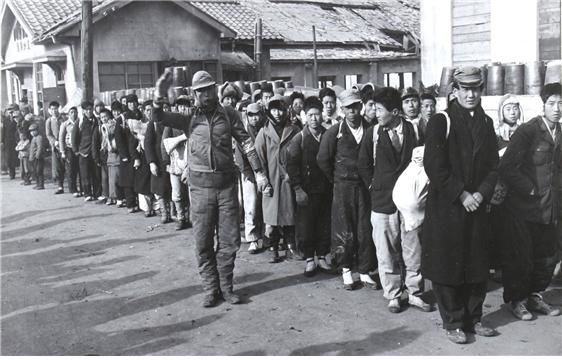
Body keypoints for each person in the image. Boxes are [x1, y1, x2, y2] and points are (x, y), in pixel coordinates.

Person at [152, 70, 270, 307]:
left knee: (229, 240)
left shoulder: (229, 114)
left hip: (226, 186)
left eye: (208, 89)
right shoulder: (188, 117)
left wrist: (258, 172)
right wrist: (158, 96)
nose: (205, 94)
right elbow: (159, 117)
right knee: (202, 240)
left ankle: (226, 287)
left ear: (215, 89)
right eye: (200, 91)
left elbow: (246, 143)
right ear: (195, 94)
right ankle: (210, 288)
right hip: (200, 188)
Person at [422, 66, 499, 344]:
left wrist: (481, 193)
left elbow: (493, 165)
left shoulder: (486, 123)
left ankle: (474, 318)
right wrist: (462, 194)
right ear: (454, 91)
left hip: (476, 206)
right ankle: (453, 321)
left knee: (477, 262)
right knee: (448, 265)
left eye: (475, 89)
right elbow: (434, 165)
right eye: (465, 89)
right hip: (448, 207)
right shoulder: (441, 121)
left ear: (481, 91)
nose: (470, 94)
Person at [358, 87, 430, 313]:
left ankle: (415, 292)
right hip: (382, 201)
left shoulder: (415, 130)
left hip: (411, 202)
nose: (375, 113)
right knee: (385, 249)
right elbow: (363, 163)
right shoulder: (373, 134)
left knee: (413, 248)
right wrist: (373, 185)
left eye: (379, 109)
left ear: (395, 111)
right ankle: (393, 294)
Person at [498, 82, 562, 321]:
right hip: (524, 207)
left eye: (561, 104)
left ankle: (535, 295)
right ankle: (517, 300)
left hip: (551, 207)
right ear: (543, 105)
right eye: (552, 103)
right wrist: (531, 189)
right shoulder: (528, 131)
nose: (557, 108)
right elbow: (507, 167)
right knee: (521, 256)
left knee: (547, 255)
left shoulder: (560, 133)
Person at [317, 88, 379, 291]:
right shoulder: (334, 132)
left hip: (364, 187)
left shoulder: (371, 128)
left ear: (361, 107)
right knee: (344, 228)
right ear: (342, 110)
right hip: (343, 186)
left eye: (356, 107)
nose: (353, 111)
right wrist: (336, 179)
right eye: (348, 108)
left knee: (364, 228)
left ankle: (363, 270)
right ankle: (345, 269)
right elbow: (323, 160)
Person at [286, 96, 332, 276]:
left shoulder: (329, 134)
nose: (314, 118)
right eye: (310, 115)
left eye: (317, 114)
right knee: (306, 225)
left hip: (325, 189)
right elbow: (291, 164)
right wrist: (297, 189)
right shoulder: (300, 138)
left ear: (322, 115)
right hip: (306, 190)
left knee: (324, 223)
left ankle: (321, 256)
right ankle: (309, 259)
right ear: (305, 116)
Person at [254, 95, 300, 263]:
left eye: (280, 109)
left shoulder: (294, 130)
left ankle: (290, 246)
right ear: (269, 111)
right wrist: (262, 177)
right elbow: (258, 157)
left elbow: (299, 154)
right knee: (271, 217)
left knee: (289, 214)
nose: (278, 113)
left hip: (289, 179)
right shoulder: (264, 132)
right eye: (274, 109)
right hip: (271, 179)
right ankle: (273, 247)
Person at [234, 103, 266, 253]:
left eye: (257, 114)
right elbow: (240, 158)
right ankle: (252, 238)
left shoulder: (266, 131)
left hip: (266, 173)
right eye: (251, 115)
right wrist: (250, 174)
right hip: (249, 174)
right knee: (251, 206)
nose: (255, 118)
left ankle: (267, 236)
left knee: (266, 205)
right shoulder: (244, 133)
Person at [145, 109, 173, 224]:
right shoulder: (153, 123)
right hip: (158, 161)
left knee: (172, 188)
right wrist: (152, 162)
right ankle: (164, 212)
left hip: (171, 159)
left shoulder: (172, 120)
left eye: (166, 107)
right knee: (159, 189)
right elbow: (148, 143)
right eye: (162, 107)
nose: (164, 110)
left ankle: (172, 212)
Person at [114, 97, 139, 213]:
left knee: (137, 178)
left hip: (138, 152)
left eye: (134, 103)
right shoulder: (122, 119)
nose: (132, 105)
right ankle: (130, 204)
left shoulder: (140, 115)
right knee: (128, 181)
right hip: (127, 154)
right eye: (129, 103)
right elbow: (118, 139)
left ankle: (139, 203)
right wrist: (123, 155)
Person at [72, 101, 100, 202]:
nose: (89, 111)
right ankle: (87, 193)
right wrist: (76, 150)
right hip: (83, 152)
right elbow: (74, 136)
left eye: (90, 109)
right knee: (85, 174)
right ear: (83, 111)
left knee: (96, 173)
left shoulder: (97, 120)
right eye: (87, 109)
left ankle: (97, 193)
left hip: (95, 152)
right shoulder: (79, 122)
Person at [59, 107, 82, 197]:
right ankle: (73, 189)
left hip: (79, 148)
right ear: (68, 114)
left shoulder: (80, 122)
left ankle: (82, 189)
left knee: (80, 169)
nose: (73, 114)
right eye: (71, 112)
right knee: (71, 170)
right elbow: (61, 138)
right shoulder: (65, 124)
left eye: (75, 112)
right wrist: (62, 152)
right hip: (69, 148)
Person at [45, 101, 66, 194]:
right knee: (58, 167)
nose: (54, 111)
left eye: (56, 109)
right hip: (55, 147)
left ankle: (73, 186)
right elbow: (48, 134)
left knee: (68, 166)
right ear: (49, 110)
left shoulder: (63, 119)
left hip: (65, 145)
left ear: (59, 109)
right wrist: (54, 142)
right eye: (52, 109)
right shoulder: (49, 121)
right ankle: (60, 186)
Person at [2, 104, 20, 179]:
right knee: (9, 157)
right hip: (8, 141)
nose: (10, 112)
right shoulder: (5, 120)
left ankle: (23, 172)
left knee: (17, 157)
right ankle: (11, 173)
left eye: (12, 110)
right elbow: (4, 131)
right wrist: (2, 140)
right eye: (9, 111)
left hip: (16, 140)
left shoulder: (18, 119)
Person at [28, 123, 45, 190]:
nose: (31, 132)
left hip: (38, 158)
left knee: (39, 171)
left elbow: (39, 147)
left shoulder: (39, 137)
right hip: (33, 158)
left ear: (37, 130)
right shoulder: (34, 138)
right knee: (35, 171)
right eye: (31, 131)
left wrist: (37, 156)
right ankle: (38, 184)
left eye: (33, 131)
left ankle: (41, 184)